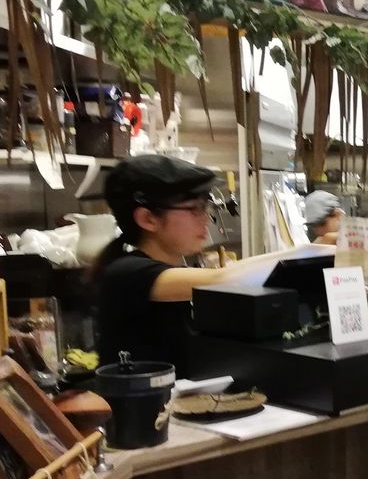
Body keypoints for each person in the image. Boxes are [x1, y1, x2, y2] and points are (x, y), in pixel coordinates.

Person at [91, 156, 295, 370]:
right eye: (195, 209)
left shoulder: (170, 270)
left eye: (206, 207)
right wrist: (309, 252)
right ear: (148, 219)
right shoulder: (126, 272)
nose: (207, 218)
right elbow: (222, 279)